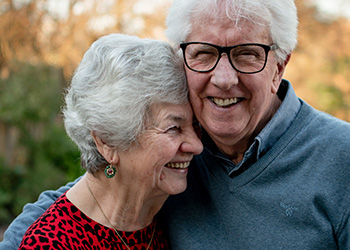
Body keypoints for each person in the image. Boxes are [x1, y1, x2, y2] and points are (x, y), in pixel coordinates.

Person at [1, 0, 350, 249]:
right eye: (205, 53)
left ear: (279, 66)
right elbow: (94, 190)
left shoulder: (341, 158)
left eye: (247, 53)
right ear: (185, 56)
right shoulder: (179, 156)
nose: (224, 79)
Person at [15, 33, 203, 249]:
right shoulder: (52, 244)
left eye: (195, 125)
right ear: (108, 141)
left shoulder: (172, 213)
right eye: (174, 128)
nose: (197, 146)